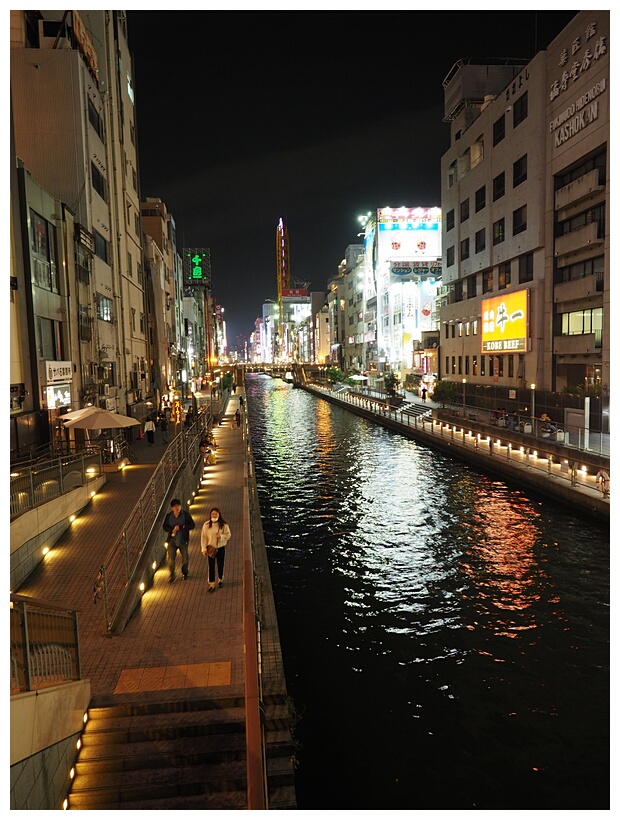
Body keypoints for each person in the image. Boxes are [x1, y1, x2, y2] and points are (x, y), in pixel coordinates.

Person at [162, 498, 196, 582]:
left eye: (178, 506)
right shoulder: (169, 516)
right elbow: (165, 526)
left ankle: (185, 573)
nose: (177, 508)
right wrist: (171, 529)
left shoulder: (185, 515)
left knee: (185, 557)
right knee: (171, 559)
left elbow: (192, 525)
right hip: (172, 540)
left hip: (183, 540)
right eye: (175, 506)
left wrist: (182, 527)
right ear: (172, 508)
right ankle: (172, 575)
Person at [201, 507, 232, 592]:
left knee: (220, 564)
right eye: (213, 514)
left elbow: (228, 535)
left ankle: (220, 579)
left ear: (219, 515)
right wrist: (204, 549)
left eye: (216, 514)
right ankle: (211, 583)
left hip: (221, 548)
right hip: (211, 548)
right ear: (210, 515)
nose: (214, 515)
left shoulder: (223, 525)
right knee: (211, 566)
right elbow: (203, 538)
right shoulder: (206, 525)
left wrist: (221, 537)